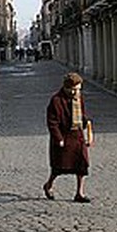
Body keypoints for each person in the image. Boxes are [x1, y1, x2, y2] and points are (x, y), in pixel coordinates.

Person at [43, 72, 92, 203]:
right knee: (59, 167)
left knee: (82, 165)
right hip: (64, 137)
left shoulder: (79, 98)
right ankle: (49, 185)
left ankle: (79, 193)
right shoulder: (56, 100)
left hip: (77, 135)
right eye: (74, 89)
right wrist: (58, 138)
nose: (76, 92)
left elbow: (82, 113)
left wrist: (86, 122)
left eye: (78, 89)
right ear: (67, 88)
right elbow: (52, 122)